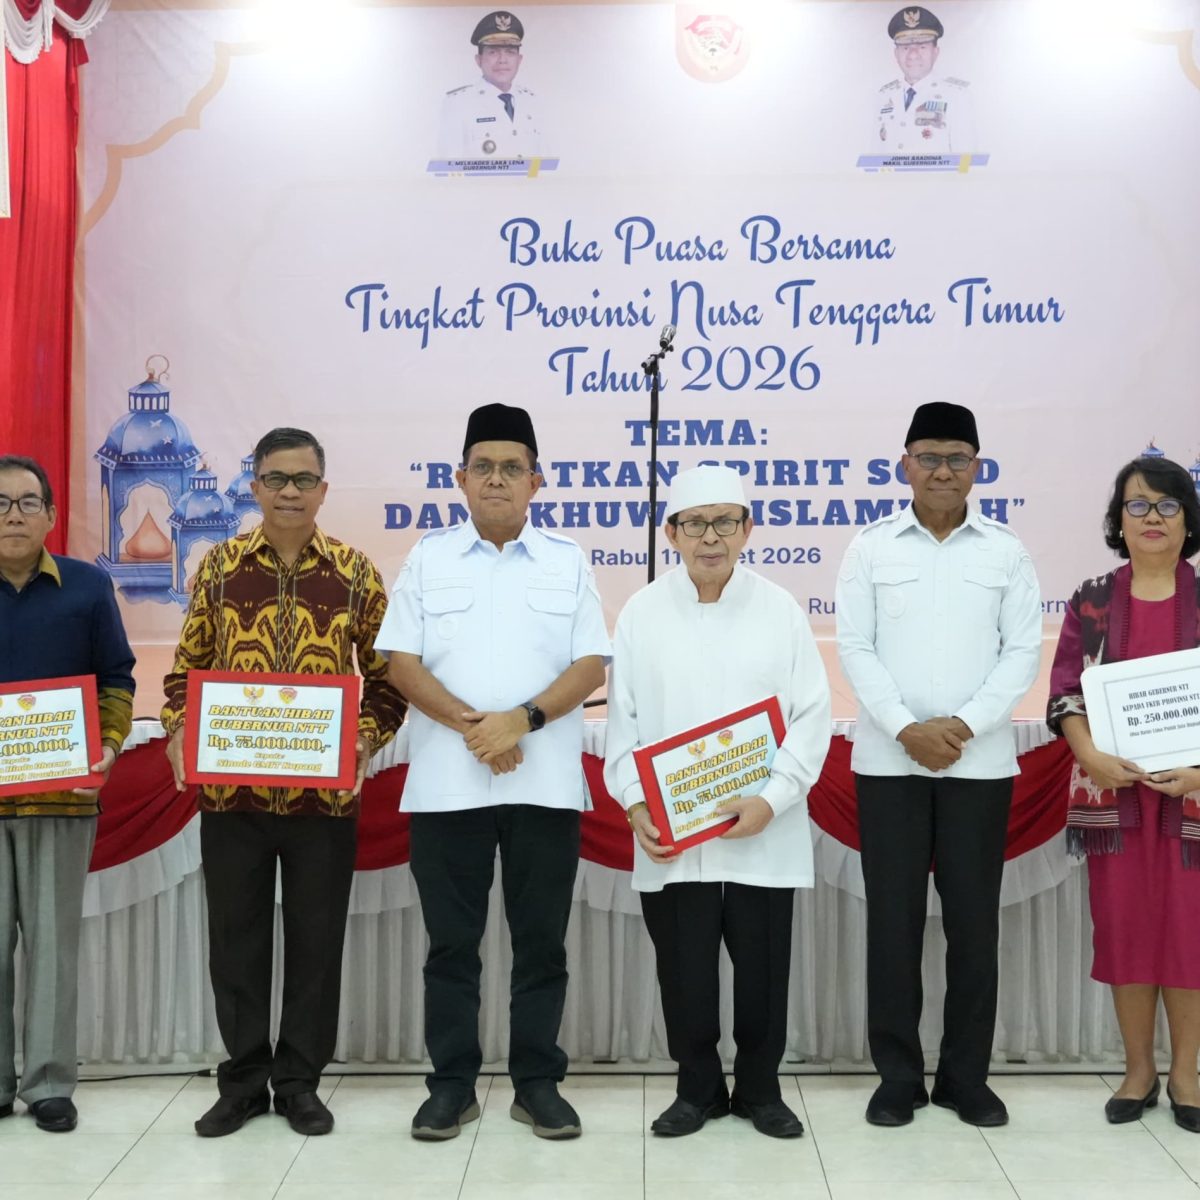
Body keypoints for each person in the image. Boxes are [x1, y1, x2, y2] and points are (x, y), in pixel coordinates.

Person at [161, 427, 406, 1138]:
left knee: (315, 945)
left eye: (303, 480)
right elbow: (184, 673)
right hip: (231, 798)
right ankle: (242, 1082)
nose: (289, 491)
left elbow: (388, 683)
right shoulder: (218, 567)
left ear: (323, 490)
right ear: (255, 487)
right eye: (276, 479)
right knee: (235, 944)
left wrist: (361, 739)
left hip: (322, 802)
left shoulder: (355, 573)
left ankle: (299, 1082)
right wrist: (179, 728)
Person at [378, 403, 610, 1141]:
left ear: (537, 481)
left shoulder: (567, 560)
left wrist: (523, 721)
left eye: (513, 468)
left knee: (542, 946)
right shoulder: (428, 558)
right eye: (484, 467)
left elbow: (590, 665)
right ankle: (451, 1087)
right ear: (460, 479)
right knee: (451, 948)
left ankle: (536, 1084)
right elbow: (400, 663)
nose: (498, 479)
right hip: (448, 788)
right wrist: (477, 728)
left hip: (544, 784)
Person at [604, 466, 831, 1139]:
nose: (711, 537)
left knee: (763, 971)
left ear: (747, 529)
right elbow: (623, 723)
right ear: (670, 533)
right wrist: (636, 804)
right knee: (685, 972)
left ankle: (761, 1090)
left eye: (725, 522)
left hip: (764, 828)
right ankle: (696, 1090)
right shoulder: (642, 613)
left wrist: (773, 798)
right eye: (695, 523)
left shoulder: (781, 610)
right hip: (674, 836)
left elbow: (812, 715)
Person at [835, 402, 1041, 1128]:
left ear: (977, 467)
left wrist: (961, 726)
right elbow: (854, 646)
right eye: (929, 457)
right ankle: (898, 1078)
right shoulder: (870, 548)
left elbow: (1022, 651)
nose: (943, 471)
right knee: (892, 926)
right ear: (905, 465)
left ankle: (964, 1078)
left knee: (973, 928)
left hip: (977, 767)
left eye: (957, 458)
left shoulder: (1006, 552)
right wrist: (904, 728)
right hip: (889, 766)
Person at [1047, 455, 1200, 1131]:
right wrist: (1089, 756)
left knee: (1191, 938)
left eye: (1168, 505)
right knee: (1128, 934)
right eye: (1138, 505)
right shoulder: (1093, 599)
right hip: (1116, 804)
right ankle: (1138, 1071)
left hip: (1193, 806)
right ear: (1119, 520)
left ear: (1188, 520)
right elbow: (1064, 693)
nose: (1153, 518)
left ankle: (1187, 1074)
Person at [0, 455, 135, 1133]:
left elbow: (117, 677)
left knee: (52, 947)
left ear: (51, 516)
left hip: (61, 796)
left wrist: (106, 747)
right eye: (0, 503)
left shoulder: (86, 586)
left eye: (28, 502)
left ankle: (50, 1082)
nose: (14, 515)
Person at [436, 11, 549, 161]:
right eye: (493, 52)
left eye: (510, 52)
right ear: (479, 60)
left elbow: (544, 163)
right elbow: (449, 167)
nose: (502, 60)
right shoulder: (458, 104)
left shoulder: (533, 102)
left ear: (519, 59)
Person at [874, 6, 976, 154]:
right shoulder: (884, 96)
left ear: (935, 52)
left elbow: (967, 160)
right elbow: (876, 156)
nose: (913, 55)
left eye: (922, 47)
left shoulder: (957, 96)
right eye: (905, 48)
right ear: (896, 54)